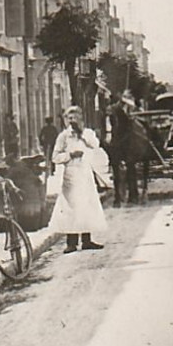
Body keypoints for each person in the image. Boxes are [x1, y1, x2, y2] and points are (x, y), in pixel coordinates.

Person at [49, 106, 107, 252]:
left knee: (86, 206)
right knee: (71, 207)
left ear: (81, 118)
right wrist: (69, 155)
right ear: (66, 120)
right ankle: (71, 242)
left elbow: (95, 145)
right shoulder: (63, 136)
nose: (72, 121)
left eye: (75, 118)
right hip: (71, 174)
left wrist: (82, 135)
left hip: (85, 174)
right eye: (69, 118)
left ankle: (87, 240)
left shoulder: (87, 133)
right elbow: (55, 157)